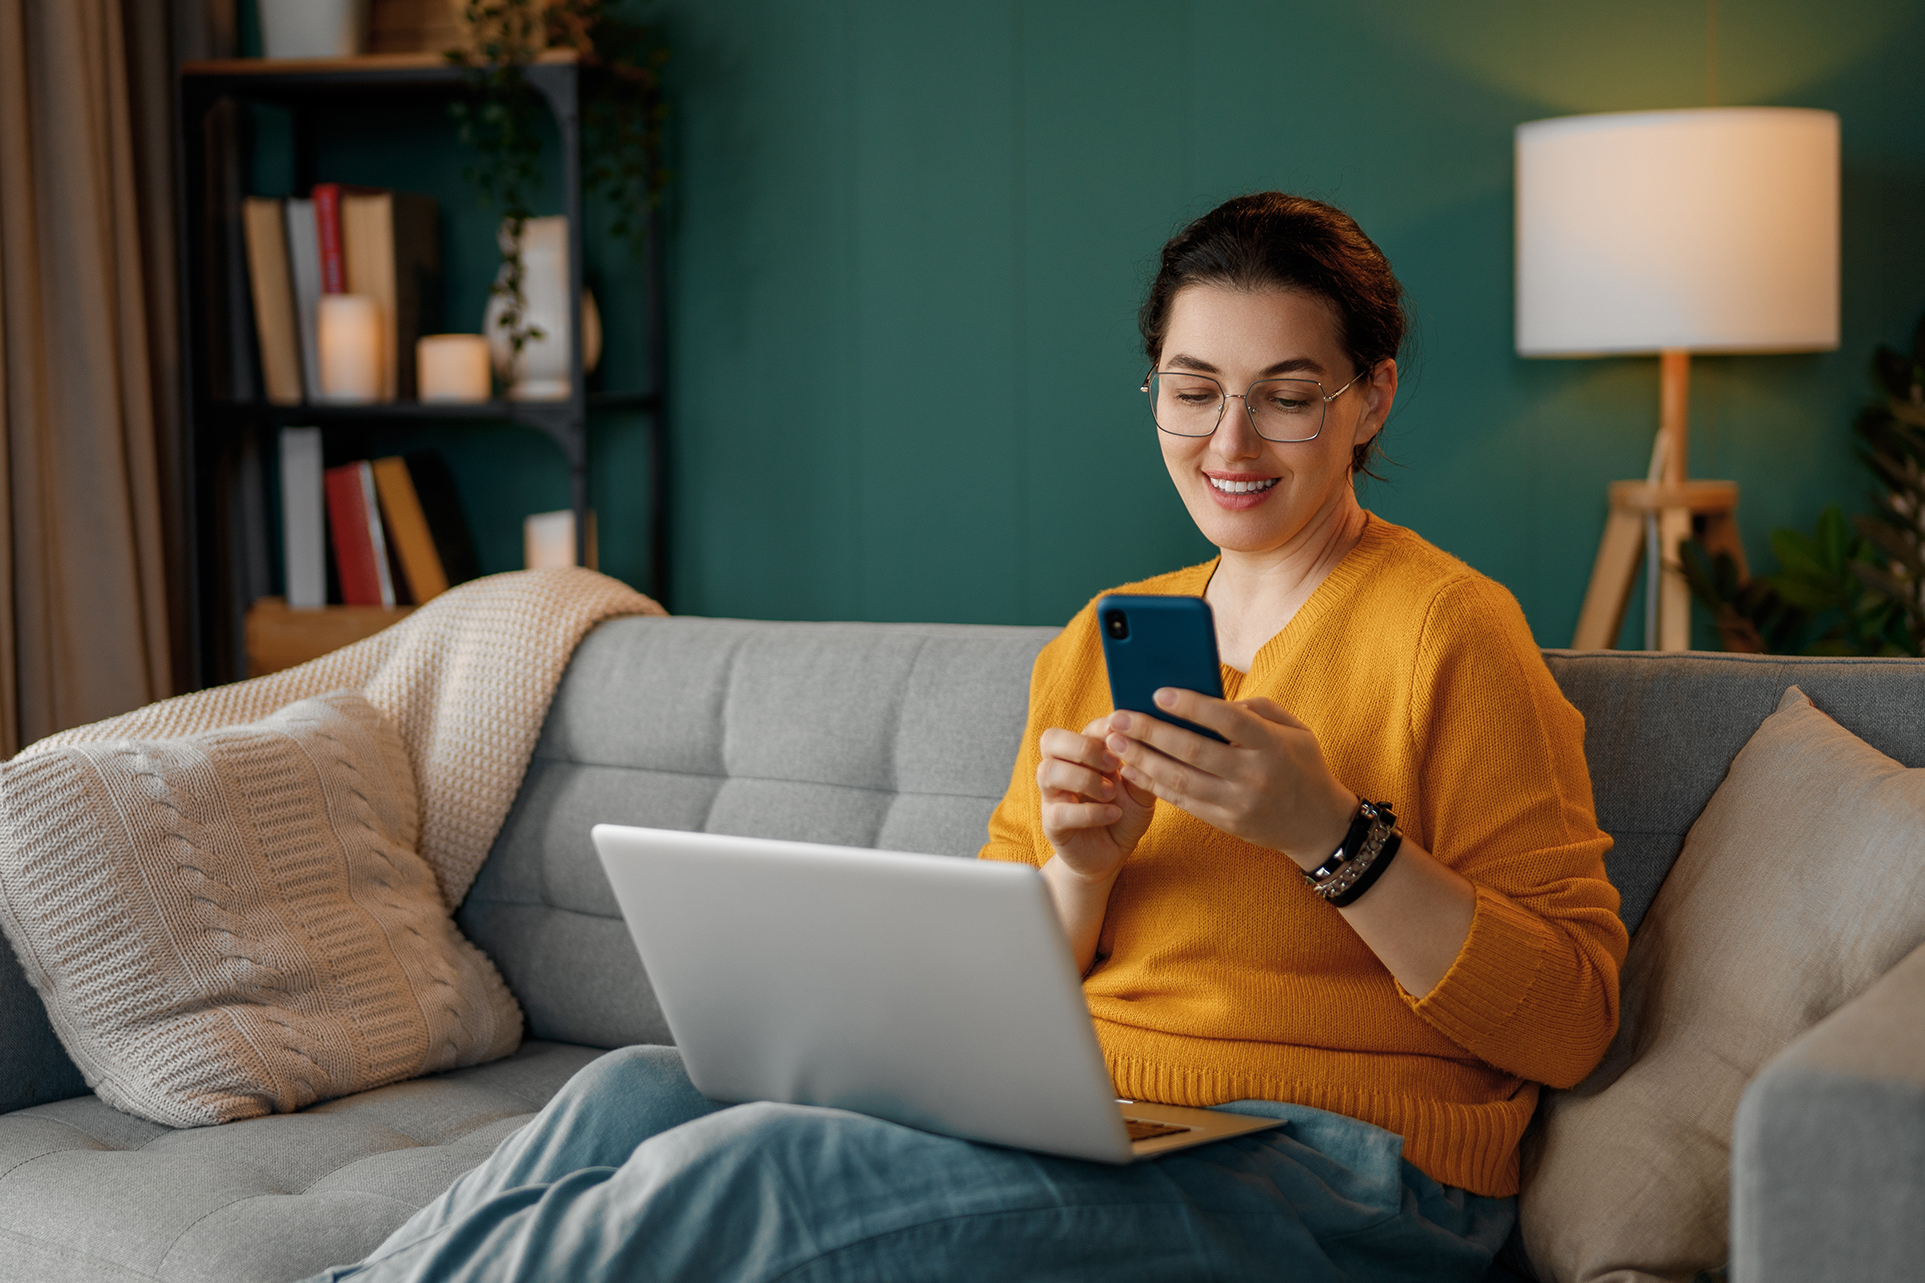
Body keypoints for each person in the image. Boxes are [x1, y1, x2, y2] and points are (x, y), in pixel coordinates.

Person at [309, 193, 1627, 1283]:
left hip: (1346, 1173)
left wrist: (1326, 836)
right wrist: (1080, 869)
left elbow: (1568, 1024)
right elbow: (1004, 992)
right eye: (1191, 389)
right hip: (1092, 1119)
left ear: (1370, 396)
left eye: (1287, 395)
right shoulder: (1108, 635)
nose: (1229, 441)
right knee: (632, 1093)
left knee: (758, 1177)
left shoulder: (1451, 630)